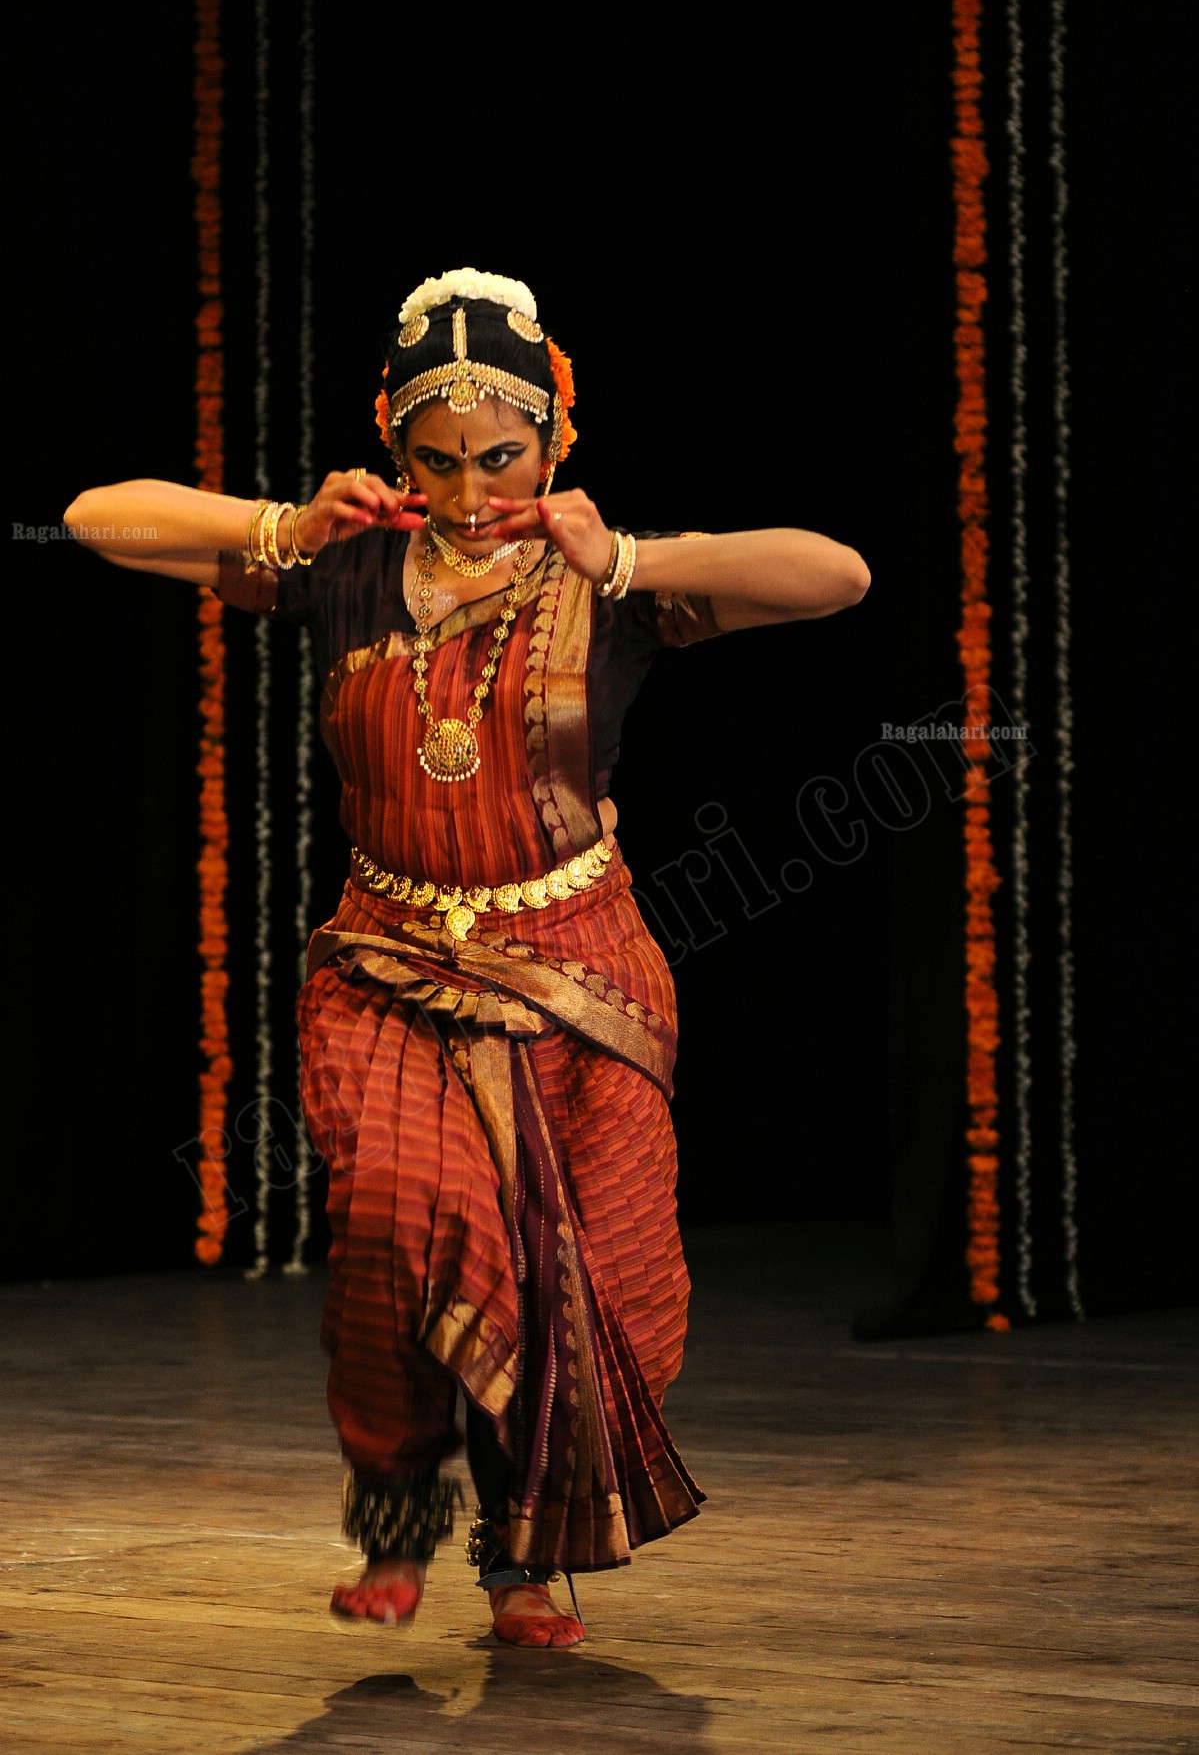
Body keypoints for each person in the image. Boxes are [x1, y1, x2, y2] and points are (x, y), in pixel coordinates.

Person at [66, 267, 870, 1648]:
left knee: (593, 1272)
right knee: (399, 1228)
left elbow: (836, 575)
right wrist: (277, 518)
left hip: (577, 969)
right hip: (389, 966)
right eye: (435, 459)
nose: (472, 486)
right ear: (392, 441)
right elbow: (97, 519)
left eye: (502, 456)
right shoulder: (346, 564)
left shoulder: (606, 583)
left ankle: (524, 1554)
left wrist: (628, 555)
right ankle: (394, 1520)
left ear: (559, 435)